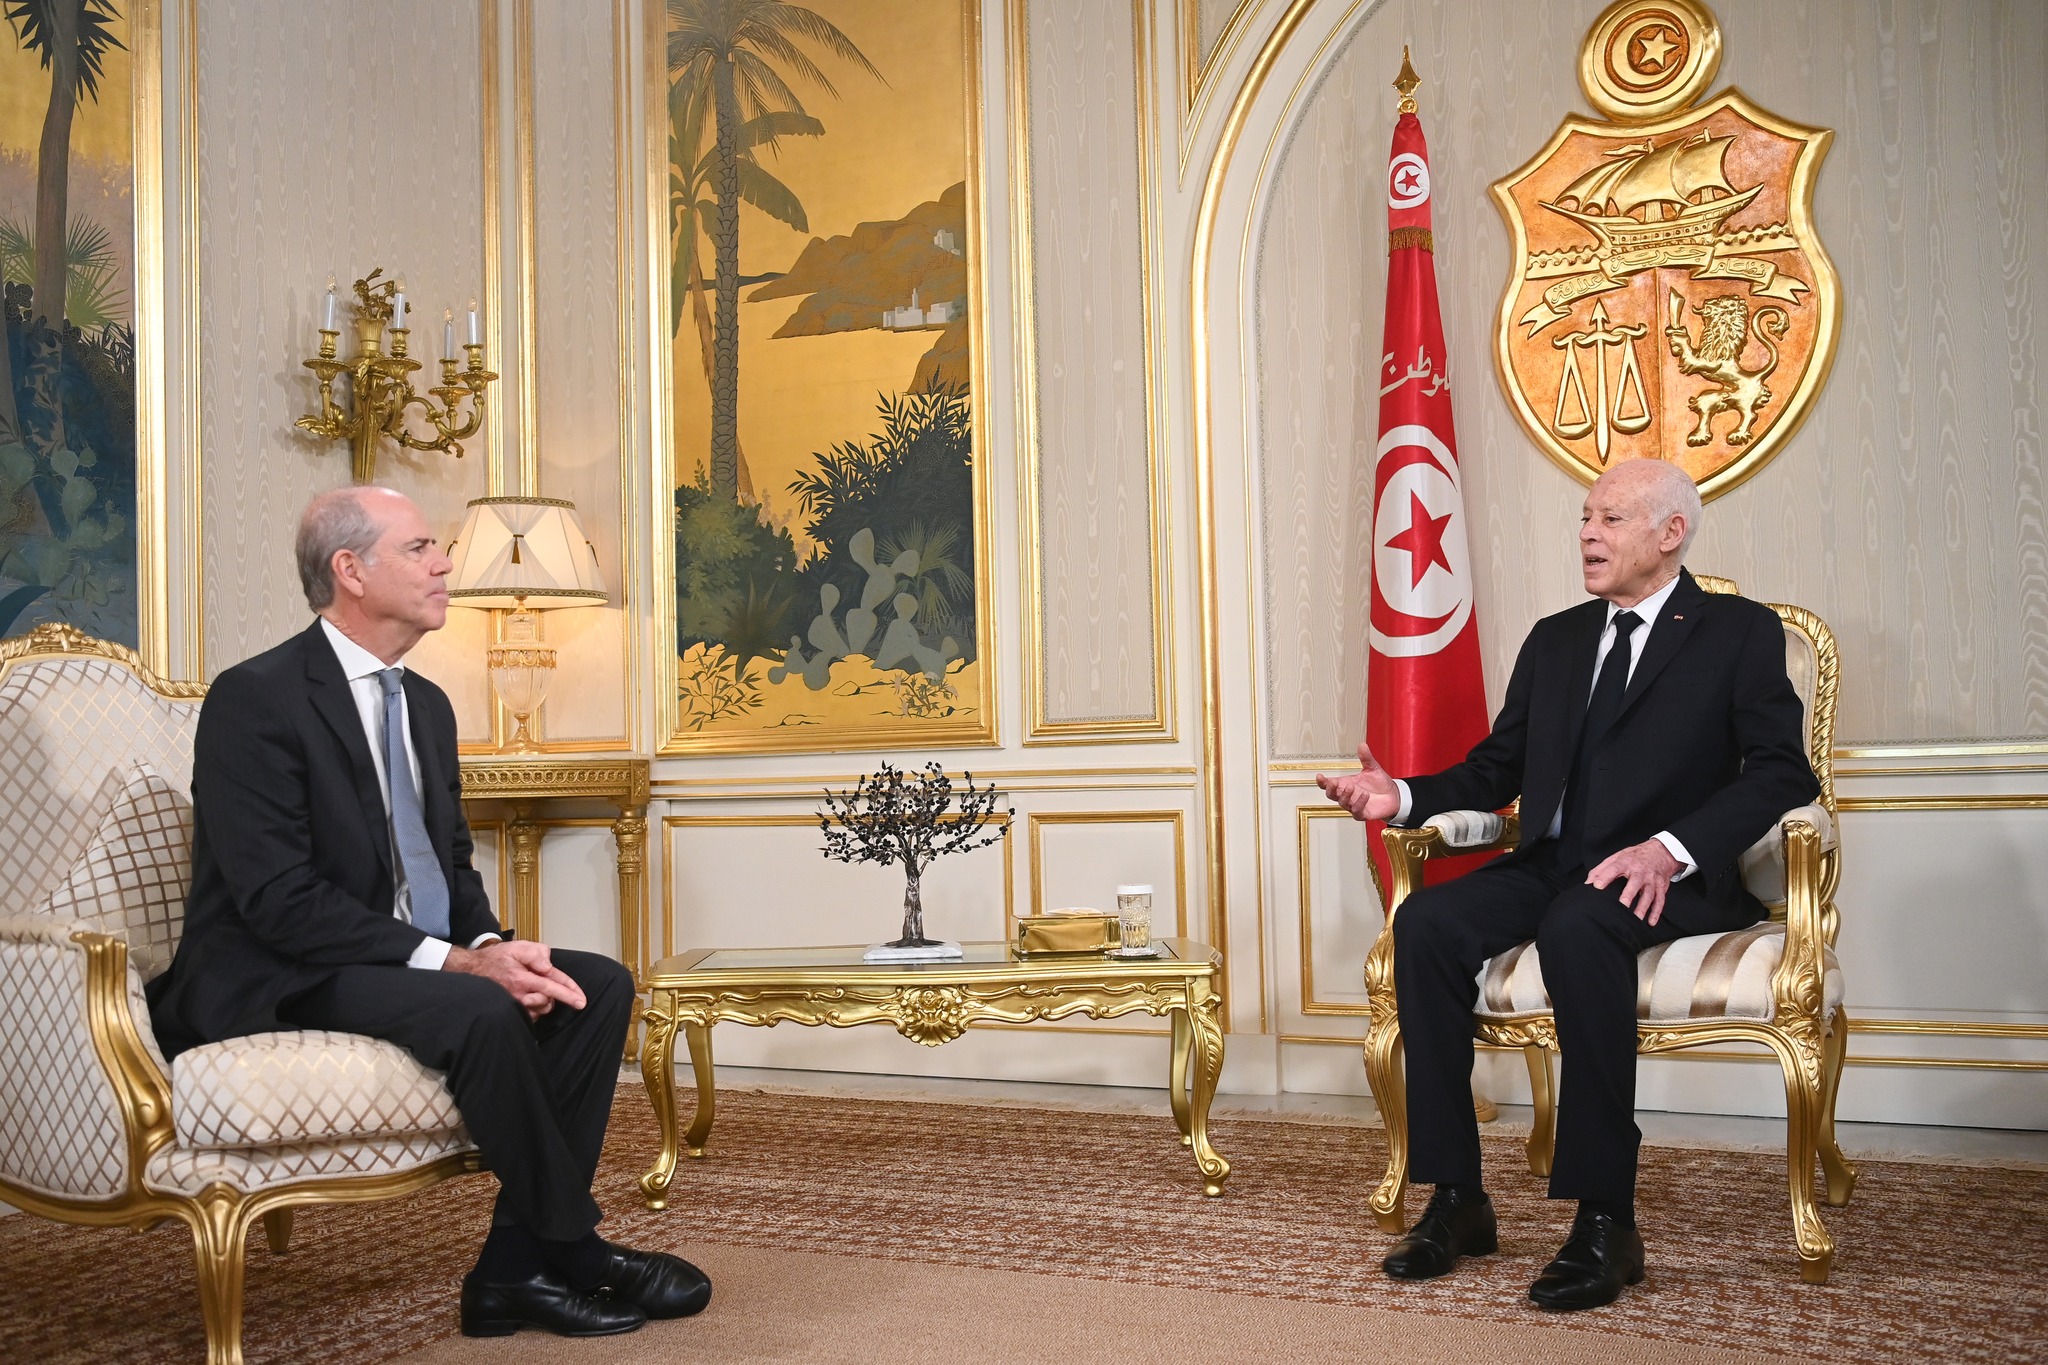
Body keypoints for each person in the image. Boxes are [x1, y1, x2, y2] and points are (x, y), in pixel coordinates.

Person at [148, 485, 710, 1339]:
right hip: (280, 969)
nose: (444, 563)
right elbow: (278, 899)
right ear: (350, 570)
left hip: (393, 956)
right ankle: (578, 1251)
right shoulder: (255, 697)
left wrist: (486, 941)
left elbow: (447, 860)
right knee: (482, 1008)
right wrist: (461, 964)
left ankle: (509, 1271)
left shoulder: (428, 704)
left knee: (592, 986)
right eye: (419, 548)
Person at [1319, 458, 1817, 1311]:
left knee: (1580, 925)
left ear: (1671, 532)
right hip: (1555, 865)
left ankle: (1606, 1219)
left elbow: (1781, 771)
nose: (1588, 533)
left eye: (1611, 519)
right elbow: (1497, 766)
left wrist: (1669, 849)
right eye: (1585, 517)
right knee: (1426, 923)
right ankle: (1458, 1197)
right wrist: (1401, 795)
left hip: (1667, 876)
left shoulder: (1737, 630)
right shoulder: (1556, 638)